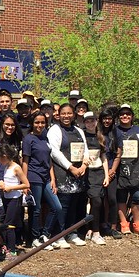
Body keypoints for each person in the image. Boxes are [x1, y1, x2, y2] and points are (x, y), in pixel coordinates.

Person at [47, 103, 89, 247]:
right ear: (59, 115)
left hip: (79, 173)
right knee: (63, 204)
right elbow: (54, 152)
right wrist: (70, 167)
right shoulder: (54, 130)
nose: (66, 116)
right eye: (63, 113)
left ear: (74, 114)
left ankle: (72, 233)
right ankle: (59, 235)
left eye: (69, 113)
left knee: (74, 204)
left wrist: (84, 165)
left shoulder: (78, 130)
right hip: (63, 172)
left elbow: (86, 149)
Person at [22, 112, 64, 249]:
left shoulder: (45, 138)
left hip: (46, 177)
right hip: (33, 177)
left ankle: (45, 234)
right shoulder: (29, 139)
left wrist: (53, 179)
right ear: (32, 123)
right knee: (36, 208)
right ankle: (35, 238)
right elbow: (25, 161)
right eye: (37, 122)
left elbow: (49, 161)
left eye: (42, 122)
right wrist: (24, 182)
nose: (40, 125)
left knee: (57, 207)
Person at [116, 103, 139, 235]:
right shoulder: (115, 131)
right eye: (122, 114)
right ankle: (124, 224)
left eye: (128, 114)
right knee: (120, 197)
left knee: (137, 197)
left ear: (132, 116)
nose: (125, 116)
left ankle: (137, 224)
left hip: (137, 170)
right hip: (120, 170)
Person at [0, 143, 29, 256]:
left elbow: (26, 184)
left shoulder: (16, 168)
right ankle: (5, 245)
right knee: (3, 222)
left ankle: (12, 249)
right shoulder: (6, 167)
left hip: (15, 198)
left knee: (9, 224)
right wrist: (2, 184)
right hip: (7, 197)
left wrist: (11, 188)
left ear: (5, 156)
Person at [82, 111, 109, 245]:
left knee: (97, 202)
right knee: (86, 202)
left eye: (92, 121)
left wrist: (106, 175)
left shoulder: (101, 137)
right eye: (87, 121)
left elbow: (103, 157)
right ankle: (88, 229)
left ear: (96, 122)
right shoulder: (81, 136)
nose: (90, 123)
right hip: (85, 172)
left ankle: (96, 231)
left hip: (98, 172)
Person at [98, 108, 123, 239]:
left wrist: (112, 170)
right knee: (99, 199)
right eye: (105, 118)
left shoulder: (116, 133)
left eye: (109, 118)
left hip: (112, 169)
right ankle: (100, 225)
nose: (107, 121)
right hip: (98, 170)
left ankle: (113, 226)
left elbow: (118, 154)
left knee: (112, 198)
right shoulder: (97, 132)